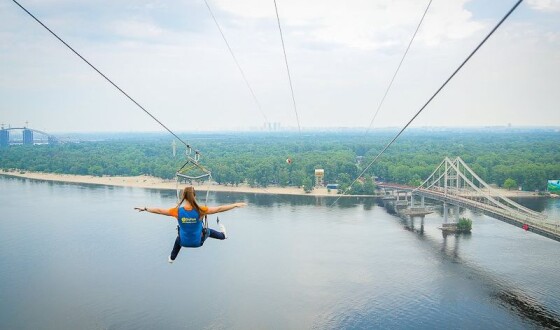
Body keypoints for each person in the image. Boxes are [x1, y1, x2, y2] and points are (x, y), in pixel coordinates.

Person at [135, 186, 246, 263]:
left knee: (178, 238)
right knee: (208, 231)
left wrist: (145, 208)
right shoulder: (201, 210)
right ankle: (223, 236)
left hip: (183, 242)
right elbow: (219, 209)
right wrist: (235, 205)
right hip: (198, 242)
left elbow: (159, 210)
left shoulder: (177, 211)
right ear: (195, 196)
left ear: (183, 196)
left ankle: (172, 258)